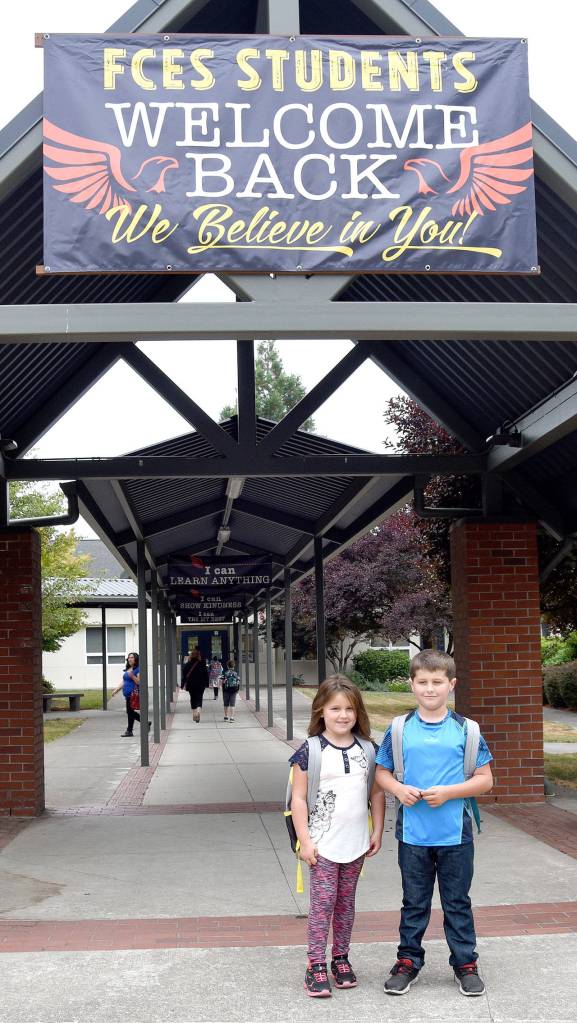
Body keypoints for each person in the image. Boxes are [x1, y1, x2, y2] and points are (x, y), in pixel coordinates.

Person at [376, 650, 494, 998]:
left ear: (451, 685)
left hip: (455, 831)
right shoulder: (399, 729)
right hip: (412, 833)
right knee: (414, 901)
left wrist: (449, 792)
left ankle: (465, 963)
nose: (430, 689)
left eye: (437, 682)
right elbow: (381, 773)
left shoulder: (466, 730)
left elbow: (485, 779)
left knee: (457, 901)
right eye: (423, 682)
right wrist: (398, 788)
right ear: (412, 684)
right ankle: (408, 961)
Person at [289, 675, 385, 998]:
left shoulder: (369, 750)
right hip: (322, 846)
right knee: (322, 904)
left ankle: (340, 957)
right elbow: (298, 799)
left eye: (349, 709)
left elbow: (377, 794)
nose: (343, 715)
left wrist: (378, 829)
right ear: (320, 711)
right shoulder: (310, 751)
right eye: (335, 709)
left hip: (355, 844)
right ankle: (315, 963)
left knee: (346, 904)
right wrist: (305, 840)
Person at [111, 652, 149, 738]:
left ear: (136, 659)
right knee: (130, 712)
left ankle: (131, 729)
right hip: (127, 694)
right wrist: (116, 690)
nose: (130, 659)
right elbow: (124, 681)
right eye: (129, 658)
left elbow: (139, 682)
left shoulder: (138, 669)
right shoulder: (128, 669)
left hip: (133, 694)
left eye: (132, 657)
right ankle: (132, 729)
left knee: (129, 712)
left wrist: (132, 675)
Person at [182, 648, 209, 723]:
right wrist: (207, 683)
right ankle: (198, 712)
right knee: (199, 698)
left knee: (193, 698)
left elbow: (184, 675)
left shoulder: (188, 664)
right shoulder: (202, 664)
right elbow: (206, 675)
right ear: (198, 656)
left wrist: (182, 684)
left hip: (191, 685)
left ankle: (194, 714)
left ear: (191, 655)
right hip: (200, 684)